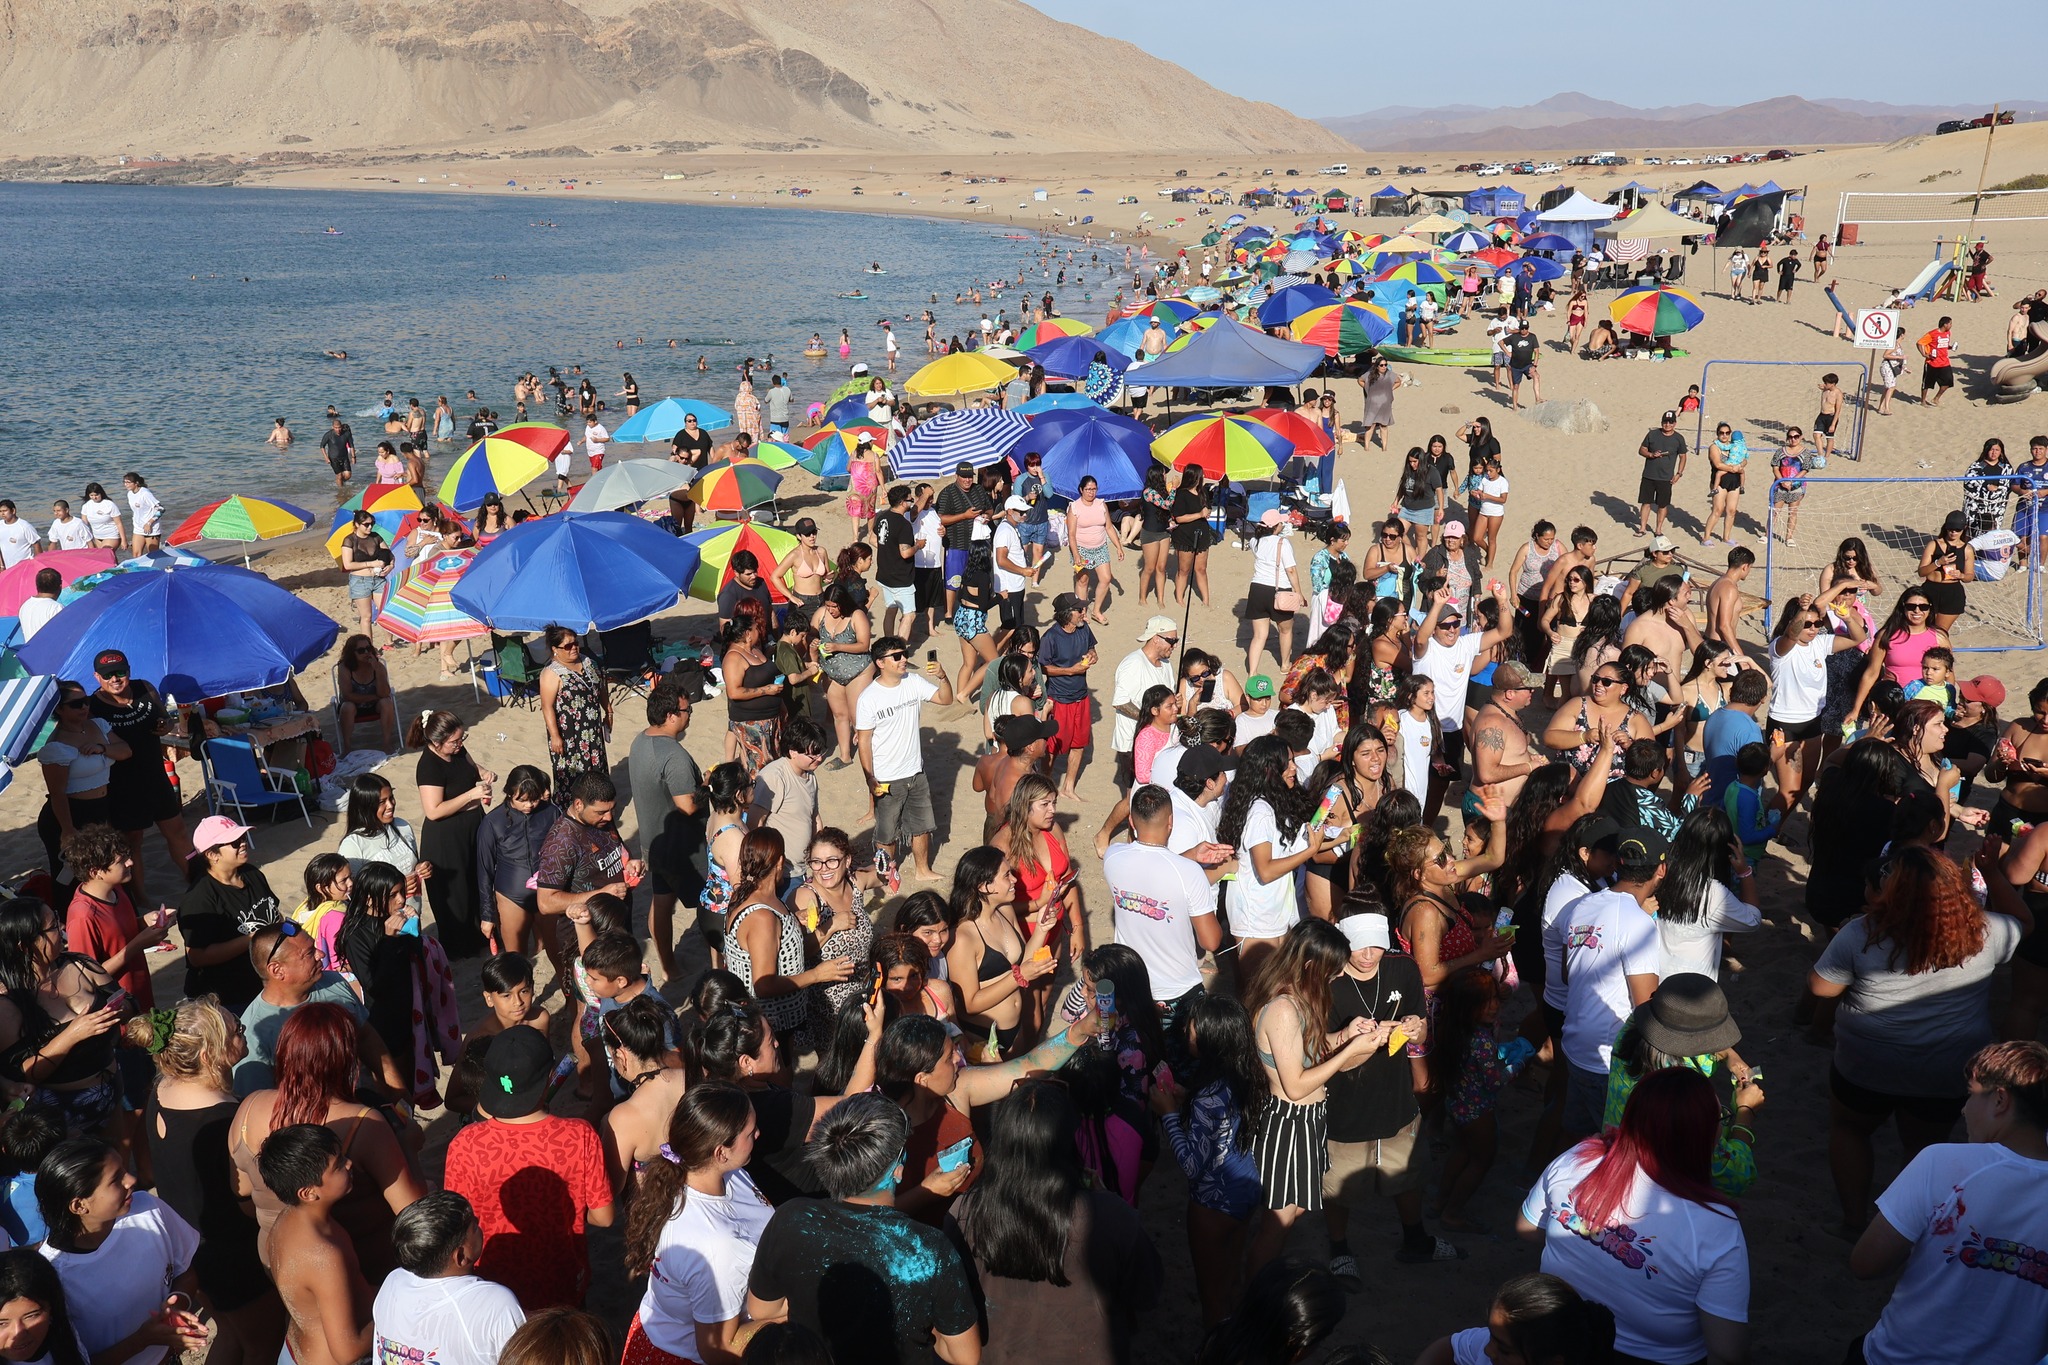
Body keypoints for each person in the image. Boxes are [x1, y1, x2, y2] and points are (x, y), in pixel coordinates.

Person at [1810, 844, 2030, 1236]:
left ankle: (1854, 1221)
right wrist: (1992, 872)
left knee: (1850, 1130)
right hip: (1945, 1068)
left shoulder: (1860, 934)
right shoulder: (1984, 930)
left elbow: (1821, 988)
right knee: (1924, 1149)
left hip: (1866, 1064)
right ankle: (1905, 1227)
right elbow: (2023, 921)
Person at [1517, 1069, 1747, 1365]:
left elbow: (1526, 1227)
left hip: (1558, 1337)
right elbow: (1727, 1352)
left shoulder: (1580, 1157)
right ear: (1703, 1136)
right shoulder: (1716, 1224)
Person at [1848, 1040, 2048, 1365]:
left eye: (1971, 1094)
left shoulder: (1943, 1163)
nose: (1963, 1108)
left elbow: (1866, 1263)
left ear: (2000, 1100)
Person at [742, 1093, 980, 1365]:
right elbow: (965, 1356)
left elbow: (761, 1310)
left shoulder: (791, 1217)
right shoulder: (928, 1249)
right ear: (898, 1170)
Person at [946, 1079, 1163, 1365]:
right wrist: (1107, 1199)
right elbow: (1147, 1293)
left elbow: (950, 1309)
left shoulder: (964, 1213)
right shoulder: (1111, 1216)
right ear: (1068, 1145)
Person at [135, 997, 283, 1365]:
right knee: (264, 1344)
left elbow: (147, 1165)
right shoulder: (227, 1119)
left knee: (232, 1336)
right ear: (208, 1055)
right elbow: (244, 1200)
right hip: (233, 1256)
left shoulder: (161, 1089)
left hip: (189, 1248)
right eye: (236, 1031)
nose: (243, 1034)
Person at [1243, 919, 1386, 1275]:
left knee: (1293, 1211)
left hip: (1306, 1122)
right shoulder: (1283, 1010)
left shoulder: (1298, 998)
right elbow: (1296, 1085)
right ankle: (1251, 1297)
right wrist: (1346, 1054)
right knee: (1277, 1224)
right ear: (1310, 966)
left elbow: (1304, 1051)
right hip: (1287, 1125)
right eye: (1332, 971)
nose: (1337, 977)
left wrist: (1344, 1036)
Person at [1319, 911, 1452, 1275]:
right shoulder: (1326, 979)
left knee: (1405, 1174)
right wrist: (1349, 1036)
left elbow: (1423, 1031)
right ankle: (1339, 1248)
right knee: (1337, 1185)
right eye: (1359, 946)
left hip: (1395, 1098)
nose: (1368, 954)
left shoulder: (1403, 969)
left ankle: (1415, 1238)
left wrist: (1415, 1027)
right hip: (1343, 1104)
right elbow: (1315, 1048)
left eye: (1376, 945)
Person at [443, 1028, 615, 1310]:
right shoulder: (579, 1136)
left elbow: (458, 1221)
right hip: (561, 1283)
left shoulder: (465, 1144)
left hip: (493, 1287)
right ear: (550, 1078)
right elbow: (604, 1217)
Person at [618, 1081, 769, 1365]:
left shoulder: (721, 1173)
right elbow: (717, 1349)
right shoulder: (716, 1246)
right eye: (750, 1132)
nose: (758, 1134)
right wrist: (791, 1312)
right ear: (720, 1152)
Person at [35, 1138, 208, 1365]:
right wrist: (143, 1340)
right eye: (116, 1179)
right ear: (79, 1206)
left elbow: (185, 1272)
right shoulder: (51, 1275)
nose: (132, 1180)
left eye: (124, 1170)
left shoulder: (148, 1208)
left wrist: (177, 1306)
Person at [1558, 827, 1668, 1140]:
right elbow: (1645, 1006)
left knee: (1578, 1144)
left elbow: (1569, 973)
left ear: (1619, 862)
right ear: (1661, 869)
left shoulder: (1584, 905)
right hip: (1607, 1060)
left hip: (1575, 1045)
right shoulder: (1638, 924)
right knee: (1620, 1149)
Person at [1104, 785, 1221, 1043]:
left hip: (1130, 986)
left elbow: (1151, 867)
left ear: (1131, 822)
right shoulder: (1189, 874)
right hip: (1177, 991)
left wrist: (1190, 856)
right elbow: (1210, 941)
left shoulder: (1112, 857)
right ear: (1171, 822)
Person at [259, 1124, 374, 1365]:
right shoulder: (323, 1255)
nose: (349, 1164)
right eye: (339, 1165)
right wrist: (393, 1311)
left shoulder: (286, 1221)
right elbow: (347, 1351)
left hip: (296, 1353)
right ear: (308, 1193)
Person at [372, 1191, 526, 1365]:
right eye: (473, 1227)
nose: (478, 1222)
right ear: (461, 1256)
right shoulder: (494, 1304)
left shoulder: (394, 1280)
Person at [87, 651, 192, 902]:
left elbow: (164, 719)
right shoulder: (93, 707)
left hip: (155, 776)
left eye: (120, 672)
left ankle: (195, 880)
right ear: (97, 677)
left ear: (129, 671)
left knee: (177, 831)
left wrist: (165, 726)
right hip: (122, 784)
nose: (115, 679)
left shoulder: (144, 688)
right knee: (132, 843)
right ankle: (141, 898)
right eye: (108, 675)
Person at [854, 635, 955, 887]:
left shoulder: (913, 681)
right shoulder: (869, 698)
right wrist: (869, 777)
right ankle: (887, 877)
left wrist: (942, 677)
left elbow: (946, 700)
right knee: (886, 833)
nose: (904, 659)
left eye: (904, 654)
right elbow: (864, 741)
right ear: (880, 662)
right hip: (887, 776)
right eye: (897, 656)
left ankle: (923, 869)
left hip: (915, 772)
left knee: (922, 826)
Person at [233, 919, 375, 1096]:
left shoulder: (334, 982)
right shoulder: (254, 1035)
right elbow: (257, 1104)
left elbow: (367, 1037)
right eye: (309, 953)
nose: (321, 954)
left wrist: (395, 1088)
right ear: (277, 970)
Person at [625, 680, 703, 983]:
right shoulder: (674, 756)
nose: (690, 714)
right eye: (687, 709)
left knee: (662, 901)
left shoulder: (640, 740)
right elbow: (687, 806)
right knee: (713, 906)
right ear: (672, 715)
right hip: (683, 849)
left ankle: (669, 967)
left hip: (653, 842)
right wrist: (708, 789)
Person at [177, 816, 278, 1014]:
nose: (242, 844)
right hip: (225, 999)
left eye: (242, 838)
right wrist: (253, 939)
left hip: (263, 986)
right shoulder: (199, 898)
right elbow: (197, 956)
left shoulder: (252, 874)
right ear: (212, 854)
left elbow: (273, 911)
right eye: (234, 842)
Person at [413, 711, 493, 959]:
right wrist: (471, 795)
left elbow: (470, 767)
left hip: (472, 827)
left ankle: (483, 936)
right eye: (454, 741)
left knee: (476, 882)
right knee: (457, 895)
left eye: (462, 739)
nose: (460, 745)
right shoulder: (429, 766)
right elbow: (434, 811)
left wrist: (484, 774)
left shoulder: (457, 750)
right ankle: (460, 947)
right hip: (446, 838)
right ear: (437, 743)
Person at [1413, 1272, 1618, 1365]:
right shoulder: (1496, 1347)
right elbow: (1449, 1347)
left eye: (1504, 1350)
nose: (1487, 1349)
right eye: (1492, 1336)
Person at [475, 767, 559, 960]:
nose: (528, 805)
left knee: (558, 954)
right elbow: (484, 871)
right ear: (509, 793)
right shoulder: (492, 822)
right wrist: (487, 915)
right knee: (516, 960)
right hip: (511, 897)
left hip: (547, 893)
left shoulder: (551, 813)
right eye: (521, 800)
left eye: (534, 799)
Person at [538, 626, 611, 795]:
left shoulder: (588, 662)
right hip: (569, 735)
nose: (574, 648)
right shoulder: (552, 673)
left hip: (592, 730)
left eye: (575, 643)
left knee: (597, 768)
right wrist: (555, 736)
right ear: (555, 649)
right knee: (574, 777)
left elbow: (600, 690)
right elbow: (547, 707)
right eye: (568, 646)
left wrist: (609, 712)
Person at [333, 633, 397, 754]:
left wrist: (377, 670)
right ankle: (347, 747)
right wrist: (373, 697)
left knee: (386, 703)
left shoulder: (378, 666)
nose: (366, 653)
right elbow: (347, 695)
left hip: (375, 705)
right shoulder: (345, 668)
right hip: (354, 705)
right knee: (347, 707)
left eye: (368, 649)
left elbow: (384, 693)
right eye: (361, 650)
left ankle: (387, 743)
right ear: (352, 653)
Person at [1636, 410, 1687, 539]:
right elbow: (1642, 449)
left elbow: (1683, 457)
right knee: (1646, 502)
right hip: (1649, 475)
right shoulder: (1652, 434)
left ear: (1675, 423)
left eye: (1670, 422)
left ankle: (1658, 529)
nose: (1667, 425)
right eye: (1665, 422)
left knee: (1662, 504)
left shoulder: (1679, 438)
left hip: (1666, 478)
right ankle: (1642, 528)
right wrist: (1651, 455)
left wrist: (1679, 474)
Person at [1918, 315, 1955, 407]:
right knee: (1927, 383)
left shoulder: (1948, 333)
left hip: (1944, 362)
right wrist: (1924, 354)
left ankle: (1936, 398)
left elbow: (1944, 344)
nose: (1951, 325)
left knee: (1948, 382)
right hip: (1932, 363)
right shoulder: (1932, 334)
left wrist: (1950, 347)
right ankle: (1923, 401)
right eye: (1950, 323)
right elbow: (1919, 343)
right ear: (1945, 324)